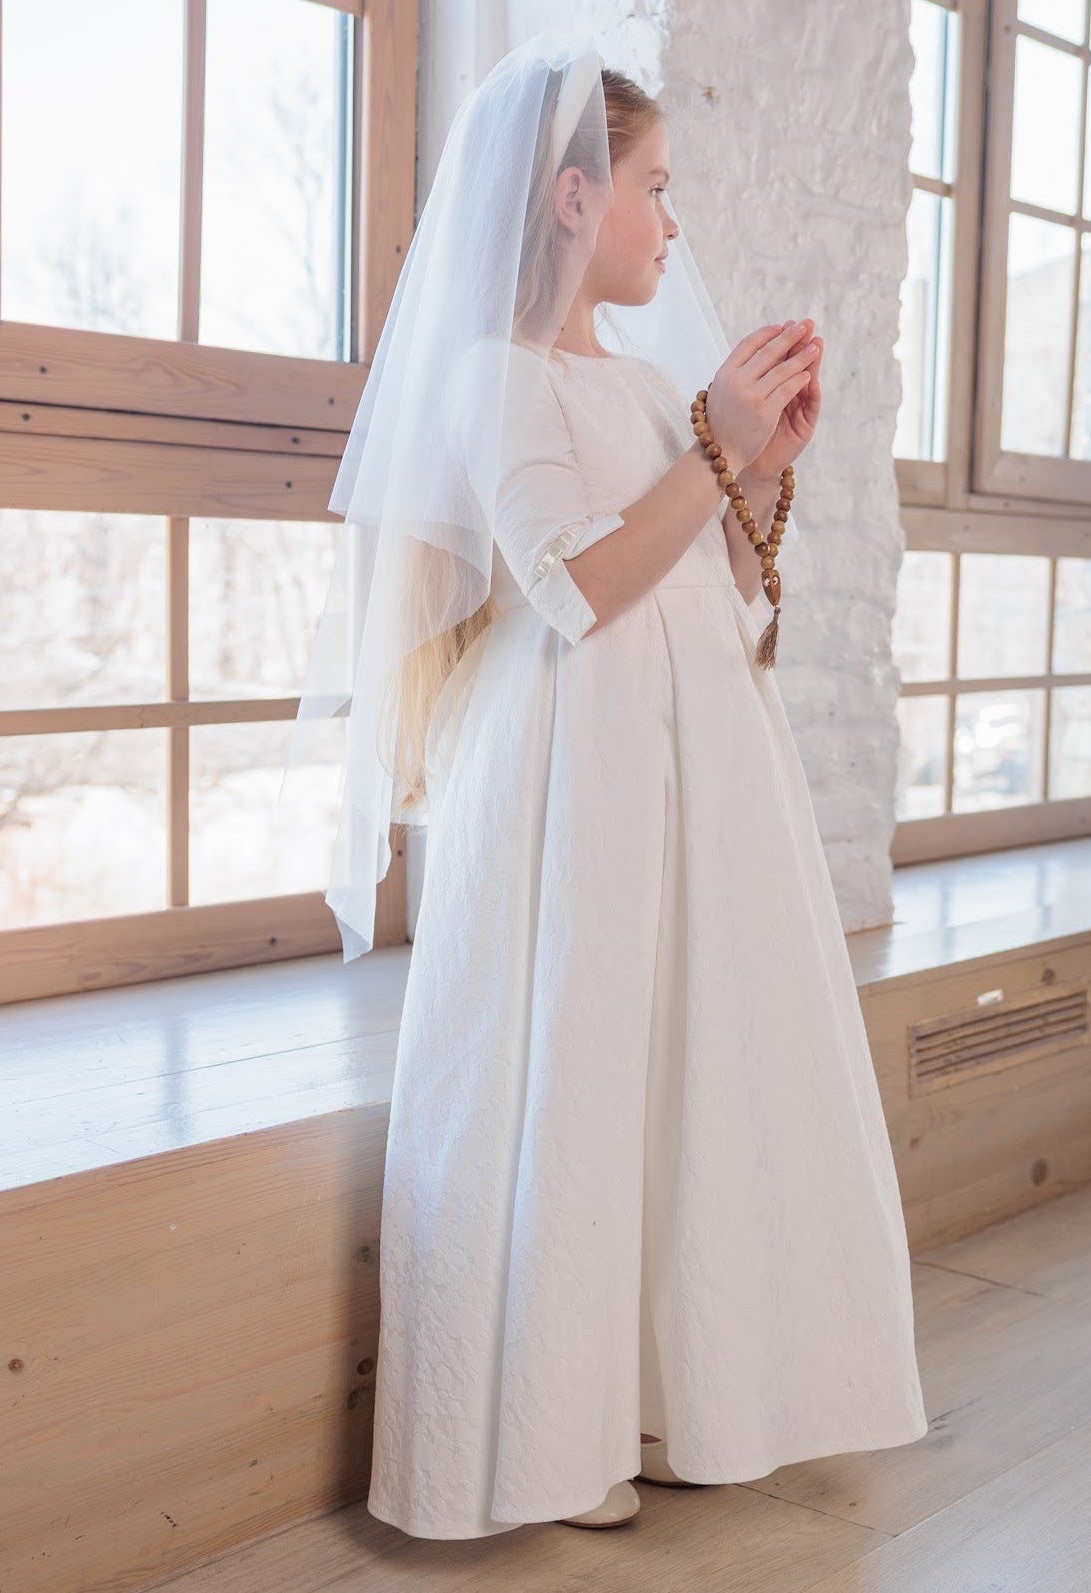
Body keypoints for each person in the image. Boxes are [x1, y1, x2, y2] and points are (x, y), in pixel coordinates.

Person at [281, 30, 930, 1540]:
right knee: (574, 1066)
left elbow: (732, 603)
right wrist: (712, 447)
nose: (670, 219)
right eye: (651, 184)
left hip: (693, 764)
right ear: (571, 199)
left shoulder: (649, 387)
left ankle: (679, 1390)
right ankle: (546, 1437)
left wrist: (758, 465)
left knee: (686, 1056)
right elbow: (574, 587)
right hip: (570, 767)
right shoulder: (488, 377)